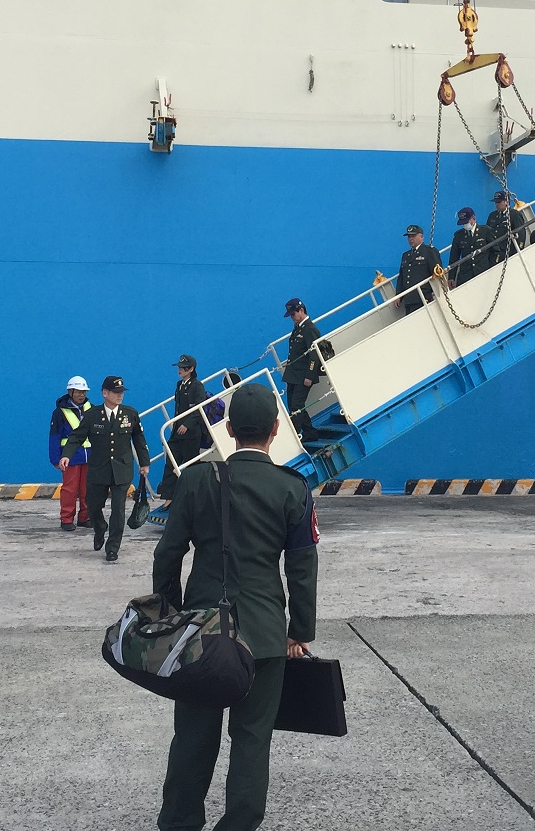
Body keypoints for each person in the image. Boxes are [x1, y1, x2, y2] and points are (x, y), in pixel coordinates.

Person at [153, 383, 319, 831]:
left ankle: (180, 822)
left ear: (228, 429)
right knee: (252, 738)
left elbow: (167, 555)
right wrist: (299, 630)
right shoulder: (292, 488)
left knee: (192, 736)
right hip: (264, 636)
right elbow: (302, 567)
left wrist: (170, 615)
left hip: (201, 635)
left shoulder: (195, 480)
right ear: (276, 429)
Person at [80, 375, 151, 563]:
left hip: (122, 469)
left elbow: (139, 439)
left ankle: (112, 548)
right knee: (93, 506)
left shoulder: (130, 414)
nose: (120, 395)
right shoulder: (92, 415)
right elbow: (76, 437)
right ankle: (99, 528)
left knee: (118, 510)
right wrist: (66, 455)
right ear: (105, 393)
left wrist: (144, 463)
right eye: (116, 392)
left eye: (121, 392)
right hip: (99, 469)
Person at [159, 355, 209, 503]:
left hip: (191, 433)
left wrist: (187, 424)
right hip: (177, 431)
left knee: (191, 466)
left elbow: (199, 408)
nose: (180, 370)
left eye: (183, 367)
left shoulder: (197, 386)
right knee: (171, 462)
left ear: (191, 369)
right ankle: (168, 497)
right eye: (179, 367)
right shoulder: (180, 385)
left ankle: (192, 498)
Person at [49, 375, 93, 532]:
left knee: (88, 489)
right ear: (70, 392)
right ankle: (66, 519)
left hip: (90, 456)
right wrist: (55, 459)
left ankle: (85, 517)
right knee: (70, 489)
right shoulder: (59, 413)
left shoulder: (92, 409)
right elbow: (54, 436)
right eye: (79, 392)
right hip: (70, 458)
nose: (82, 395)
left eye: (84, 392)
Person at [282, 299, 322, 440]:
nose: (292, 318)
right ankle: (310, 432)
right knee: (292, 404)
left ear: (301, 310)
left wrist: (310, 375)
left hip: (303, 375)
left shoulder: (309, 329)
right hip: (293, 374)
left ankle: (294, 436)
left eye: (293, 314)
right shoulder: (298, 327)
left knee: (296, 405)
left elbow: (314, 354)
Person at [396, 223, 441, 313]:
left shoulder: (429, 251)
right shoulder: (406, 255)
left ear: (421, 236)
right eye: (409, 237)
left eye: (413, 236)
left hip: (424, 297)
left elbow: (437, 273)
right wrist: (398, 295)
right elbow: (402, 277)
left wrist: (436, 291)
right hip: (409, 299)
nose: (411, 239)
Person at [449, 206, 491, 285]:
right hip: (465, 275)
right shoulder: (459, 236)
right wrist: (451, 277)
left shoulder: (485, 231)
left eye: (466, 222)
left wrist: (492, 267)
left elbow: (495, 250)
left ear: (474, 219)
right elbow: (454, 258)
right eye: (463, 223)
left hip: (483, 271)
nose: (465, 225)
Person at [486, 189, 528, 260]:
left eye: (499, 202)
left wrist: (518, 250)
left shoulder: (514, 215)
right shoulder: (492, 216)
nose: (496, 204)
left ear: (506, 202)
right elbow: (487, 234)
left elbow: (521, 233)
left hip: (508, 251)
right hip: (494, 252)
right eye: (496, 202)